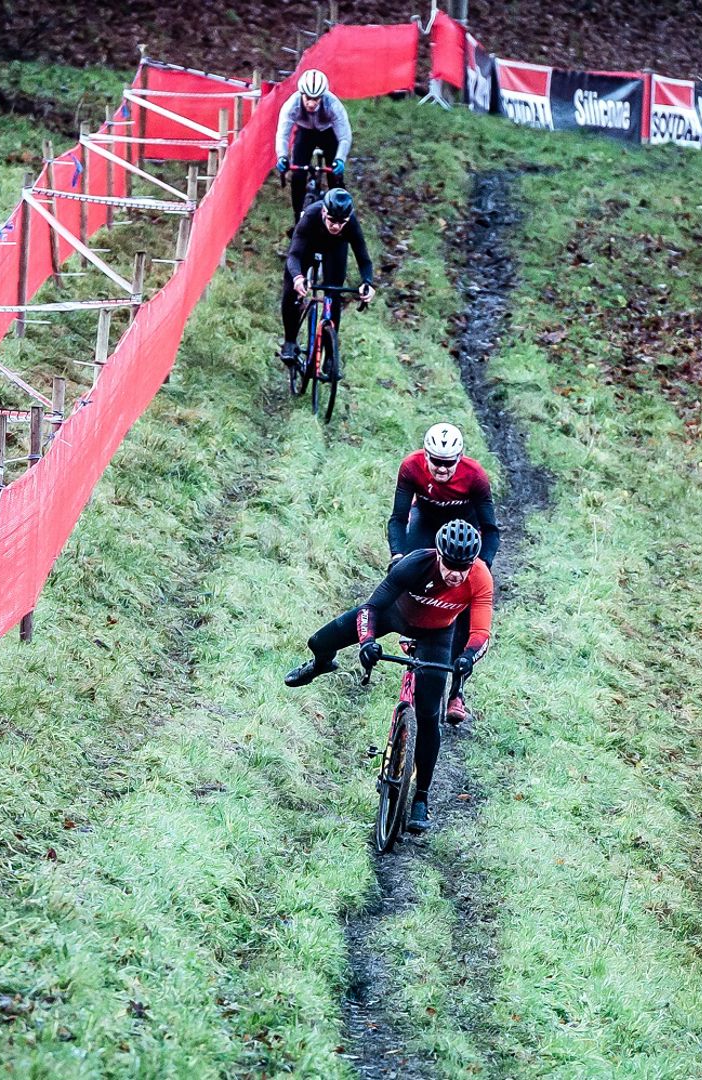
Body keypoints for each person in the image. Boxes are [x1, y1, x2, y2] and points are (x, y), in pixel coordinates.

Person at [285, 519, 492, 833]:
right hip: (393, 615)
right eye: (449, 564)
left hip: (437, 636)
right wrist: (367, 642)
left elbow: (481, 633)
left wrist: (466, 657)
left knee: (428, 714)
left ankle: (421, 798)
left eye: (462, 567)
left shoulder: (479, 578)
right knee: (319, 642)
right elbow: (371, 607)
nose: (455, 573)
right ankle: (321, 665)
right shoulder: (416, 564)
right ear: (438, 554)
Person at [387, 423, 501, 723]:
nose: (441, 469)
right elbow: (398, 519)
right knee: (409, 572)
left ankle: (456, 692)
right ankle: (410, 633)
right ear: (425, 456)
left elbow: (491, 531)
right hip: (426, 526)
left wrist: (481, 569)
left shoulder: (474, 476)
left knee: (464, 612)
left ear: (460, 458)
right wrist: (397, 555)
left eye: (448, 463)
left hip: (465, 532)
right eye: (435, 462)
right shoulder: (411, 467)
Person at [279, 187, 375, 370]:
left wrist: (368, 283)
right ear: (324, 211)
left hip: (334, 249)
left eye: (342, 222)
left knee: (333, 294)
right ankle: (290, 341)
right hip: (307, 246)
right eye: (332, 220)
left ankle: (330, 356)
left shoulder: (351, 224)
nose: (336, 226)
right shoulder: (310, 216)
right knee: (291, 286)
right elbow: (294, 256)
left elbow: (364, 260)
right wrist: (298, 278)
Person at [275, 69, 355, 222]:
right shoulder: (292, 104)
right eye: (308, 98)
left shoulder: (332, 104)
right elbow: (282, 134)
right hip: (304, 133)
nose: (311, 103)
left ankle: (339, 214)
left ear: (322, 96)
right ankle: (297, 217)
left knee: (335, 176)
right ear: (301, 94)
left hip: (328, 132)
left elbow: (344, 137)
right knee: (298, 176)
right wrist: (282, 156)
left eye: (316, 98)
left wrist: (340, 159)